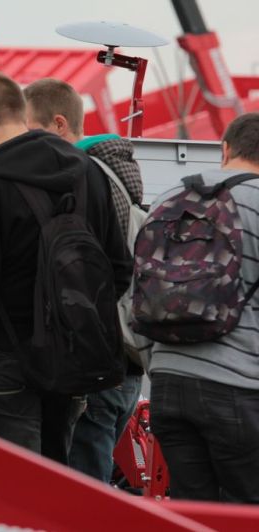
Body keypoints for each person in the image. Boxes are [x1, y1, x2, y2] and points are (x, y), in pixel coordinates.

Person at [0, 71, 131, 464]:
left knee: (6, 497)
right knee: (51, 489)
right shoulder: (88, 173)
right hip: (72, 356)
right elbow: (119, 267)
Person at [23, 78, 144, 482]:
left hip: (93, 359)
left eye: (30, 131)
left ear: (59, 125)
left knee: (81, 488)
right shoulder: (119, 172)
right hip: (127, 352)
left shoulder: (83, 178)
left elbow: (89, 274)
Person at [146, 113, 259, 503]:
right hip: (239, 389)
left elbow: (138, 292)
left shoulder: (168, 200)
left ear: (225, 149)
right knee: (246, 514)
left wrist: (156, 364)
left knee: (193, 512)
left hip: (167, 384)